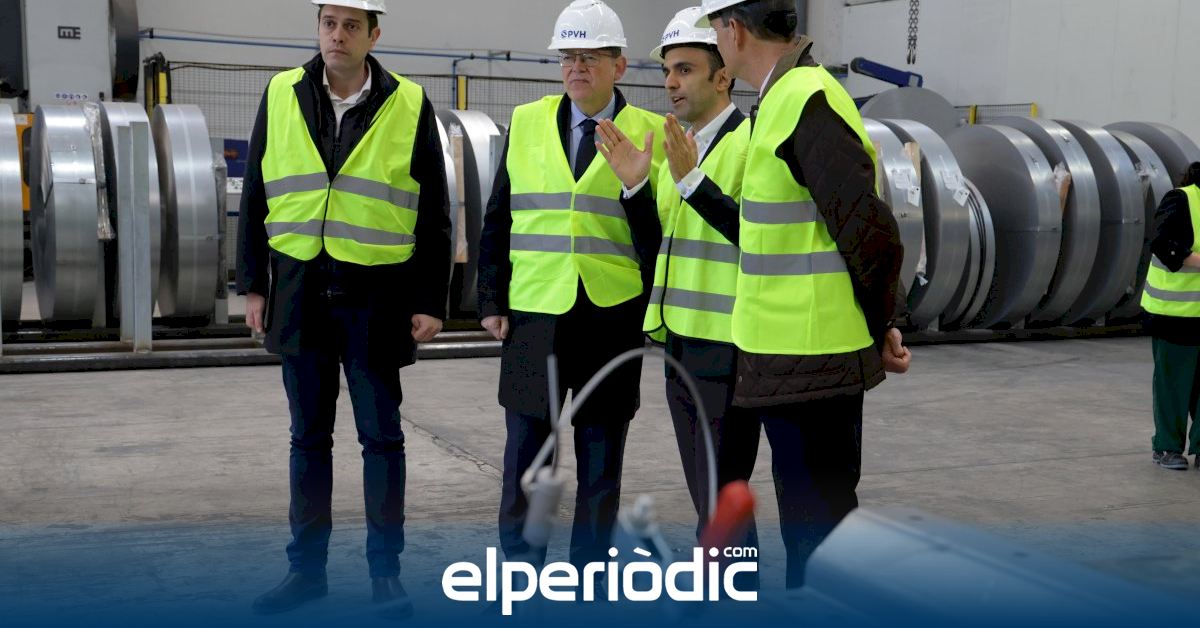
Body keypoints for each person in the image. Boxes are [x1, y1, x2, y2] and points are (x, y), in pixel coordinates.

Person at [235, 0, 451, 616]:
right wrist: (253, 285)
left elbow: (435, 208)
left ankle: (386, 575)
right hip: (298, 289)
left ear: (373, 34)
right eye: (329, 23)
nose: (338, 35)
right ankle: (307, 573)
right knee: (308, 439)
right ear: (318, 28)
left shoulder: (409, 101)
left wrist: (429, 300)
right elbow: (256, 191)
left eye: (352, 25)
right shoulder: (281, 93)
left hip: (377, 296)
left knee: (382, 439)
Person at [696, 0, 912, 588]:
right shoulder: (779, 100)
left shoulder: (805, 100)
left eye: (714, 30)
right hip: (788, 358)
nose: (716, 41)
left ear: (734, 30)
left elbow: (867, 229)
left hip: (816, 358)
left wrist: (883, 323)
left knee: (820, 531)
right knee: (807, 526)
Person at [476, 0, 666, 570]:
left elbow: (659, 237)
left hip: (612, 315)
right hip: (535, 311)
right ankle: (520, 569)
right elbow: (498, 216)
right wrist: (491, 298)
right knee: (526, 453)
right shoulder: (528, 121)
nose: (576, 67)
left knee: (601, 456)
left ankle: (589, 573)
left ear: (619, 66)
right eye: (567, 57)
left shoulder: (652, 133)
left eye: (589, 57)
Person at [593, 5, 759, 582]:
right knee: (707, 487)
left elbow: (757, 237)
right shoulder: (680, 147)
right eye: (667, 70)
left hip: (728, 344)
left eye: (685, 69)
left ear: (723, 77)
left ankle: (735, 587)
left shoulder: (750, 145)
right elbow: (658, 246)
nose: (670, 83)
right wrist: (637, 186)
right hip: (681, 341)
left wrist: (693, 182)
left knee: (722, 485)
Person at [1143, 161, 1200, 471]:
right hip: (1176, 313)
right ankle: (1167, 447)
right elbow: (1163, 244)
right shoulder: (1181, 199)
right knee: (1174, 385)